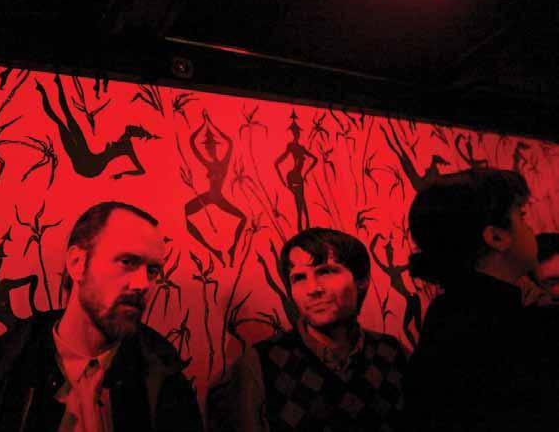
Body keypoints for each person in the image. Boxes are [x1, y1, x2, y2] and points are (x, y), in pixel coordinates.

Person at [0, 201, 203, 432]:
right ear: (77, 263)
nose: (143, 284)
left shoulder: (164, 381)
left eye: (152, 271)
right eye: (127, 262)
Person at [403, 168, 559, 431]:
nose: (530, 229)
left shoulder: (444, 315)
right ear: (497, 237)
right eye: (521, 217)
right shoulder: (513, 329)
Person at [207, 227, 406, 432]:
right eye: (299, 278)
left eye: (326, 271)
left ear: (362, 281)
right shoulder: (261, 363)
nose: (313, 289)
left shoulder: (391, 352)